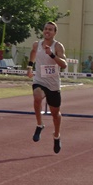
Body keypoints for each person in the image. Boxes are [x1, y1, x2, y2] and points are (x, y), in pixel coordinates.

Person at [27, 21, 67, 154]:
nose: (47, 31)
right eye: (45, 29)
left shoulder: (58, 46)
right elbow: (33, 53)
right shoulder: (36, 44)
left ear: (55, 33)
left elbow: (64, 64)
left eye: (50, 29)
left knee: (55, 114)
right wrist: (29, 66)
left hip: (53, 84)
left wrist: (52, 54)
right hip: (39, 80)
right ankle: (40, 124)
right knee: (37, 96)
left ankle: (56, 136)